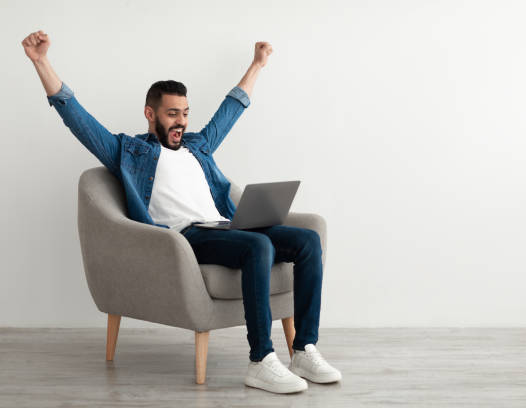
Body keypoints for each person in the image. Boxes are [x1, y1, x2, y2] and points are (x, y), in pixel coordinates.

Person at [22, 30, 341, 394]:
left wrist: (257, 65)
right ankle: (261, 360)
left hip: (228, 226)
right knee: (258, 247)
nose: (181, 122)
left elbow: (231, 110)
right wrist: (41, 61)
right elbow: (76, 118)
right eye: (172, 114)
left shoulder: (198, 146)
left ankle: (304, 349)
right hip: (188, 237)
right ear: (150, 113)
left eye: (185, 114)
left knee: (307, 240)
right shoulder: (127, 152)